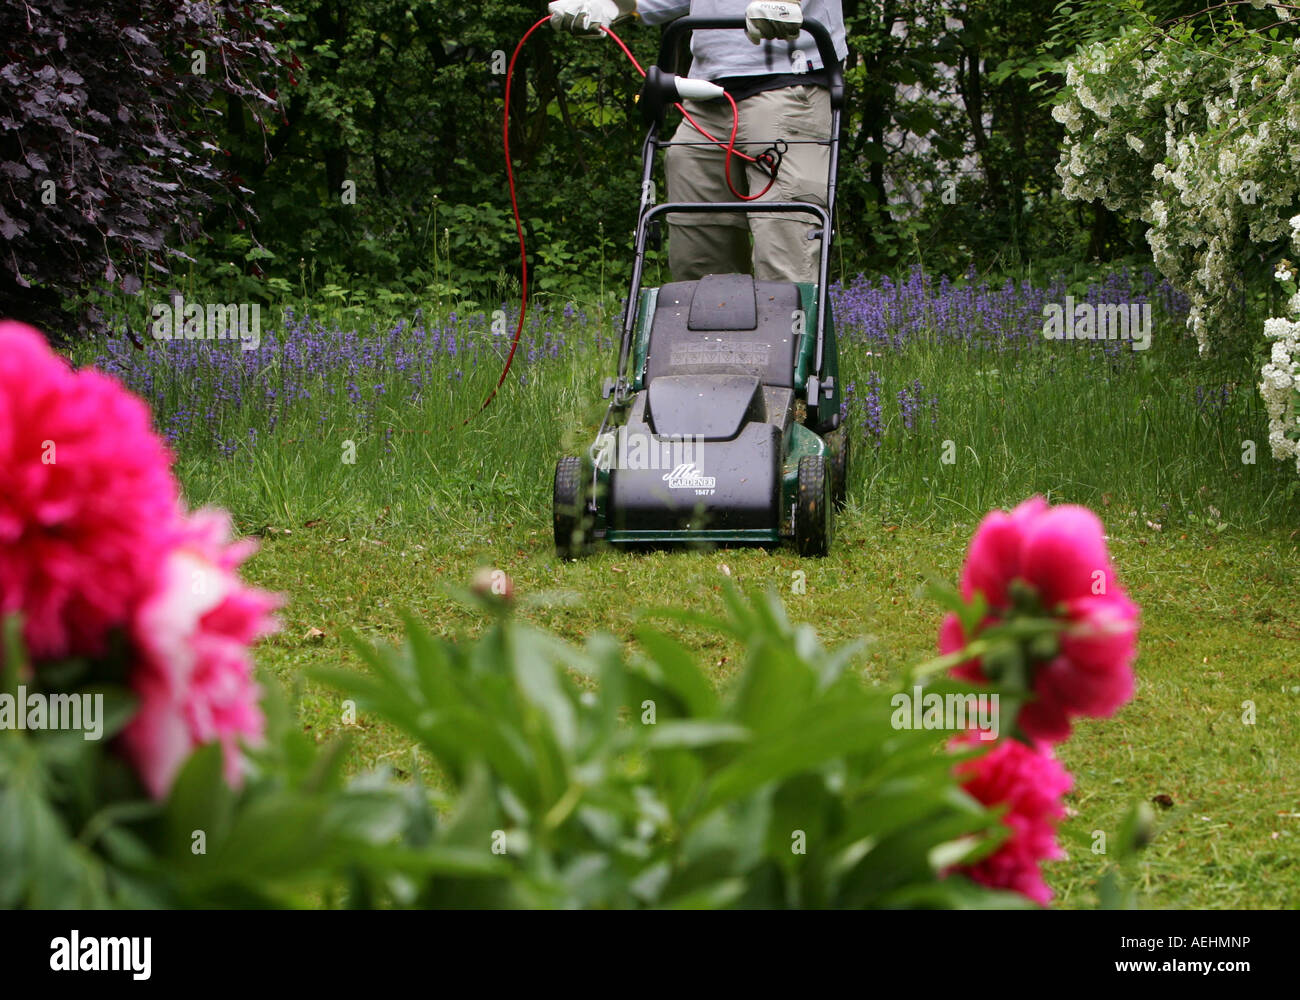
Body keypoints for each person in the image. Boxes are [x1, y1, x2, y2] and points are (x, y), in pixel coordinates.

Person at [547, 0, 847, 284]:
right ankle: (711, 336)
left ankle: (790, 336)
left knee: (784, 254)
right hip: (707, 91)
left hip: (790, 82)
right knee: (700, 267)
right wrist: (612, 5)